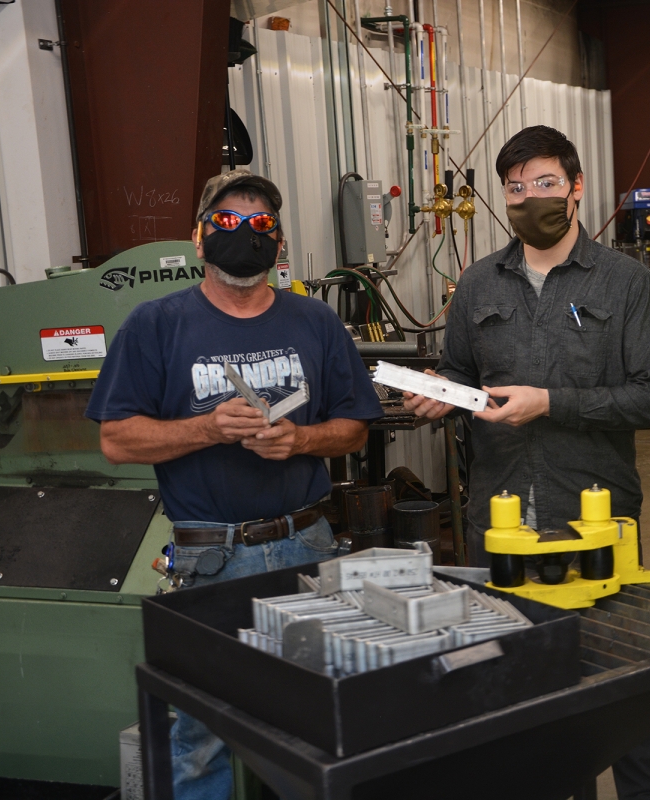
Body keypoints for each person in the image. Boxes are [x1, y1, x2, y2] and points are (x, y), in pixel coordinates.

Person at [403, 125, 650, 799]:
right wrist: (442, 394)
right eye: (516, 188)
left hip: (597, 515)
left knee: (619, 685)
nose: (529, 198)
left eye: (546, 184)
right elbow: (461, 371)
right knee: (520, 690)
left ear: (577, 188)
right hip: (499, 517)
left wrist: (550, 403)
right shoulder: (475, 284)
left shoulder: (626, 281)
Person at [86, 169, 382, 800]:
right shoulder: (156, 325)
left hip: (307, 547)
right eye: (225, 221)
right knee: (201, 734)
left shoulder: (316, 322)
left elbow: (356, 428)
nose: (242, 233)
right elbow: (116, 440)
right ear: (197, 238)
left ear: (278, 242)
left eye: (258, 224)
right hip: (209, 559)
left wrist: (299, 440)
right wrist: (207, 429)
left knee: (316, 722)